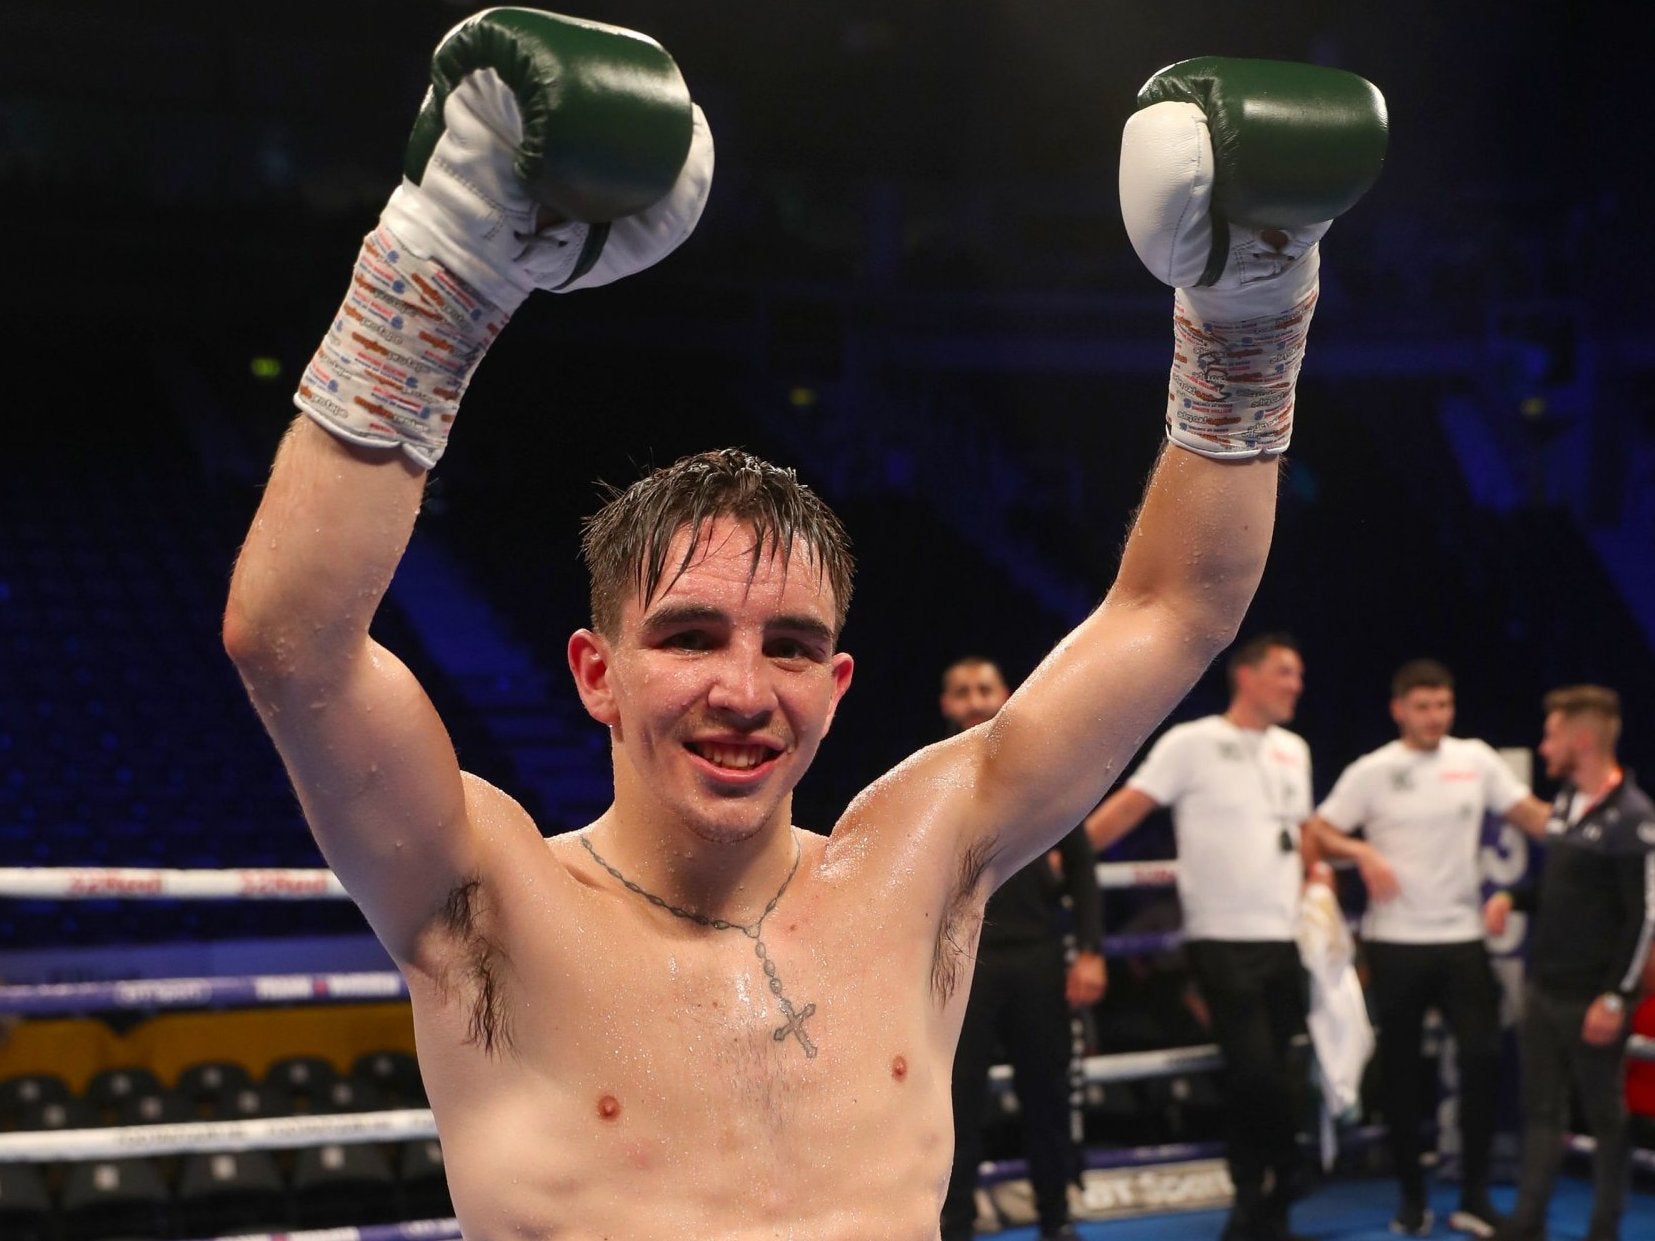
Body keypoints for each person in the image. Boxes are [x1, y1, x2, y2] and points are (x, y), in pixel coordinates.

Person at [222, 11, 1386, 1237]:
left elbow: (1175, 604)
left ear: (836, 682)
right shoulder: (488, 894)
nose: (742, 687)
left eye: (786, 645)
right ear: (594, 671)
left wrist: (1255, 307)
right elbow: (290, 640)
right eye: (686, 636)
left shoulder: (916, 863)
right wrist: (446, 257)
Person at [1304, 658, 1550, 1238]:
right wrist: (1361, 853)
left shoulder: (1476, 760)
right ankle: (1412, 1201)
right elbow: (1315, 832)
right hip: (1395, 943)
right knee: (1401, 1076)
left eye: (1443, 705)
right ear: (1399, 710)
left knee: (1485, 1060)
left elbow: (1534, 818)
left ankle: (1472, 1196)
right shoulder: (1374, 771)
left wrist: (1595, 822)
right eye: (1423, 706)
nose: (1435, 717)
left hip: (1462, 938)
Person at [1083, 634, 1316, 1240]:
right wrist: (1057, 863)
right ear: (1248, 676)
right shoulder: (1192, 743)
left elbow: (1303, 834)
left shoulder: (1295, 750)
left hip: (1287, 937)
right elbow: (1127, 810)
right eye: (1285, 672)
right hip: (1221, 937)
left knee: (1287, 1073)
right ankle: (1258, 1190)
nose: (1297, 684)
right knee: (1253, 1072)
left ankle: (1273, 1207)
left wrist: (1325, 883)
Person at [935, 658, 1105, 1241]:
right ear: (946, 705)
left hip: (1036, 956)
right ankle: (952, 1227)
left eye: (985, 689)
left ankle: (1057, 1220)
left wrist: (1090, 952)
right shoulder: (928, 780)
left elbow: (1082, 869)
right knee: (955, 1104)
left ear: (1006, 695)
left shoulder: (1045, 773)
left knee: (1048, 1096)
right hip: (962, 966)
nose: (976, 701)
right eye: (963, 692)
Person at [1485, 686, 1655, 1241]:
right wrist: (1514, 898)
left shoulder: (1633, 817)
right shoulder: (1563, 802)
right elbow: (1560, 891)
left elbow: (1644, 919)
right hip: (1545, 988)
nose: (1544, 744)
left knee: (1606, 1120)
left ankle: (1605, 1230)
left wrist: (1615, 997)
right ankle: (1527, 1222)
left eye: (1552, 733)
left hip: (1593, 999)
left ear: (1581, 739)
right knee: (1541, 1112)